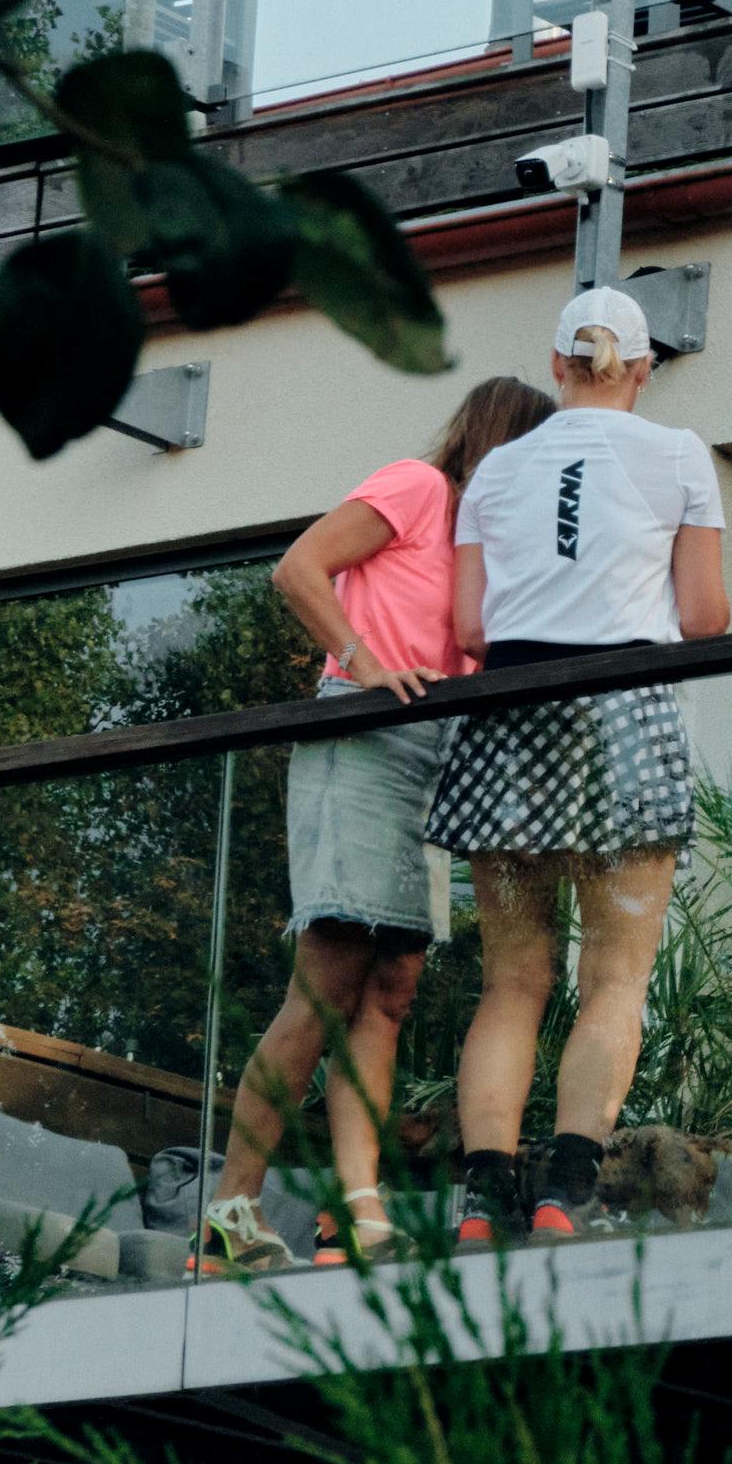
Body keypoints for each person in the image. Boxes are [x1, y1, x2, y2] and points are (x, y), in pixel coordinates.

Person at [199, 373, 555, 1274]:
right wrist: (359, 663)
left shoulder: (486, 547)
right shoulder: (419, 488)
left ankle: (353, 1209)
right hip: (361, 736)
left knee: (390, 991)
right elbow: (298, 568)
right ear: (503, 442)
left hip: (433, 754)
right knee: (323, 985)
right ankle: (228, 1211)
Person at [428, 286, 730, 1244]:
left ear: (557, 366)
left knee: (512, 980)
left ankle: (481, 1196)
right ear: (640, 370)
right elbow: (706, 616)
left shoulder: (496, 472)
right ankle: (564, 1185)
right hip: (620, 712)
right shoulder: (678, 453)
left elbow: (471, 627)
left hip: (507, 712)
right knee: (614, 977)